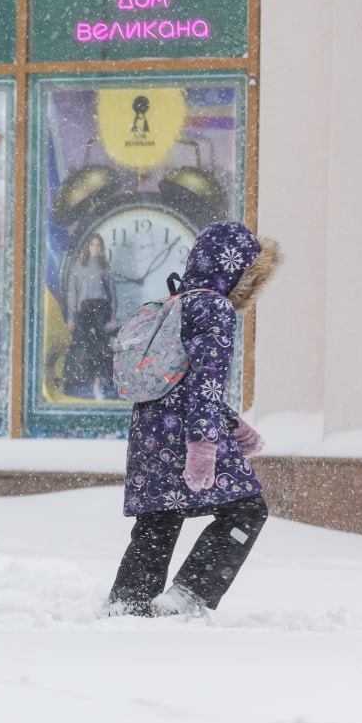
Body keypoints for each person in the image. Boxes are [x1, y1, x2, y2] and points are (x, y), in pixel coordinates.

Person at [105, 221, 281, 617]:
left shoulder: (176, 302)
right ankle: (188, 596)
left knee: (159, 520)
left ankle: (127, 601)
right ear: (240, 271)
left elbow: (181, 379)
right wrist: (204, 445)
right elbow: (205, 381)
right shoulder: (215, 307)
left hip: (149, 431)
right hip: (189, 431)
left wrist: (234, 425)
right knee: (247, 510)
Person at [62, 232, 116, 399]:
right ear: (87, 247)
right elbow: (72, 294)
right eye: (92, 244)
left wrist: (113, 316)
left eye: (98, 245)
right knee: (79, 344)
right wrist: (71, 317)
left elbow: (113, 294)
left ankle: (97, 384)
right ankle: (68, 380)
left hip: (101, 308)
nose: (95, 248)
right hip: (85, 309)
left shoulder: (105, 267)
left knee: (101, 346)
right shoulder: (78, 266)